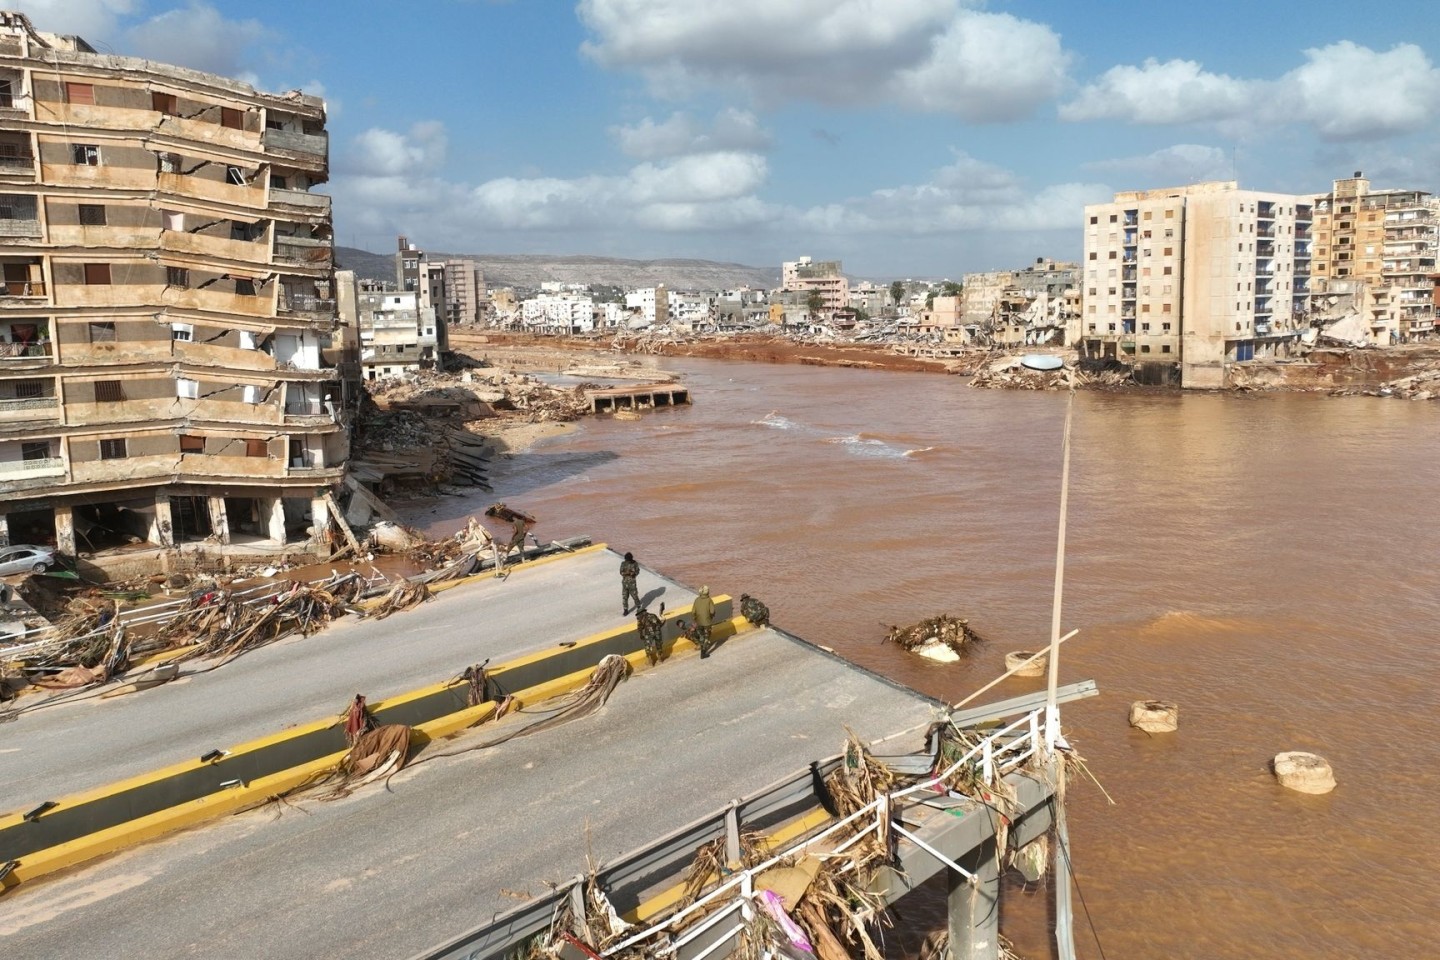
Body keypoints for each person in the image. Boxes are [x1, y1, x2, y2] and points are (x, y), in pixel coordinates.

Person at [691, 585, 716, 659]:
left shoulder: (696, 600)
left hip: (699, 622)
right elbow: (712, 611)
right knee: (707, 638)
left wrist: (695, 620)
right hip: (707, 623)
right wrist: (711, 617)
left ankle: (702, 647)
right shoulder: (709, 600)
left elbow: (693, 612)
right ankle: (703, 653)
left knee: (701, 637)